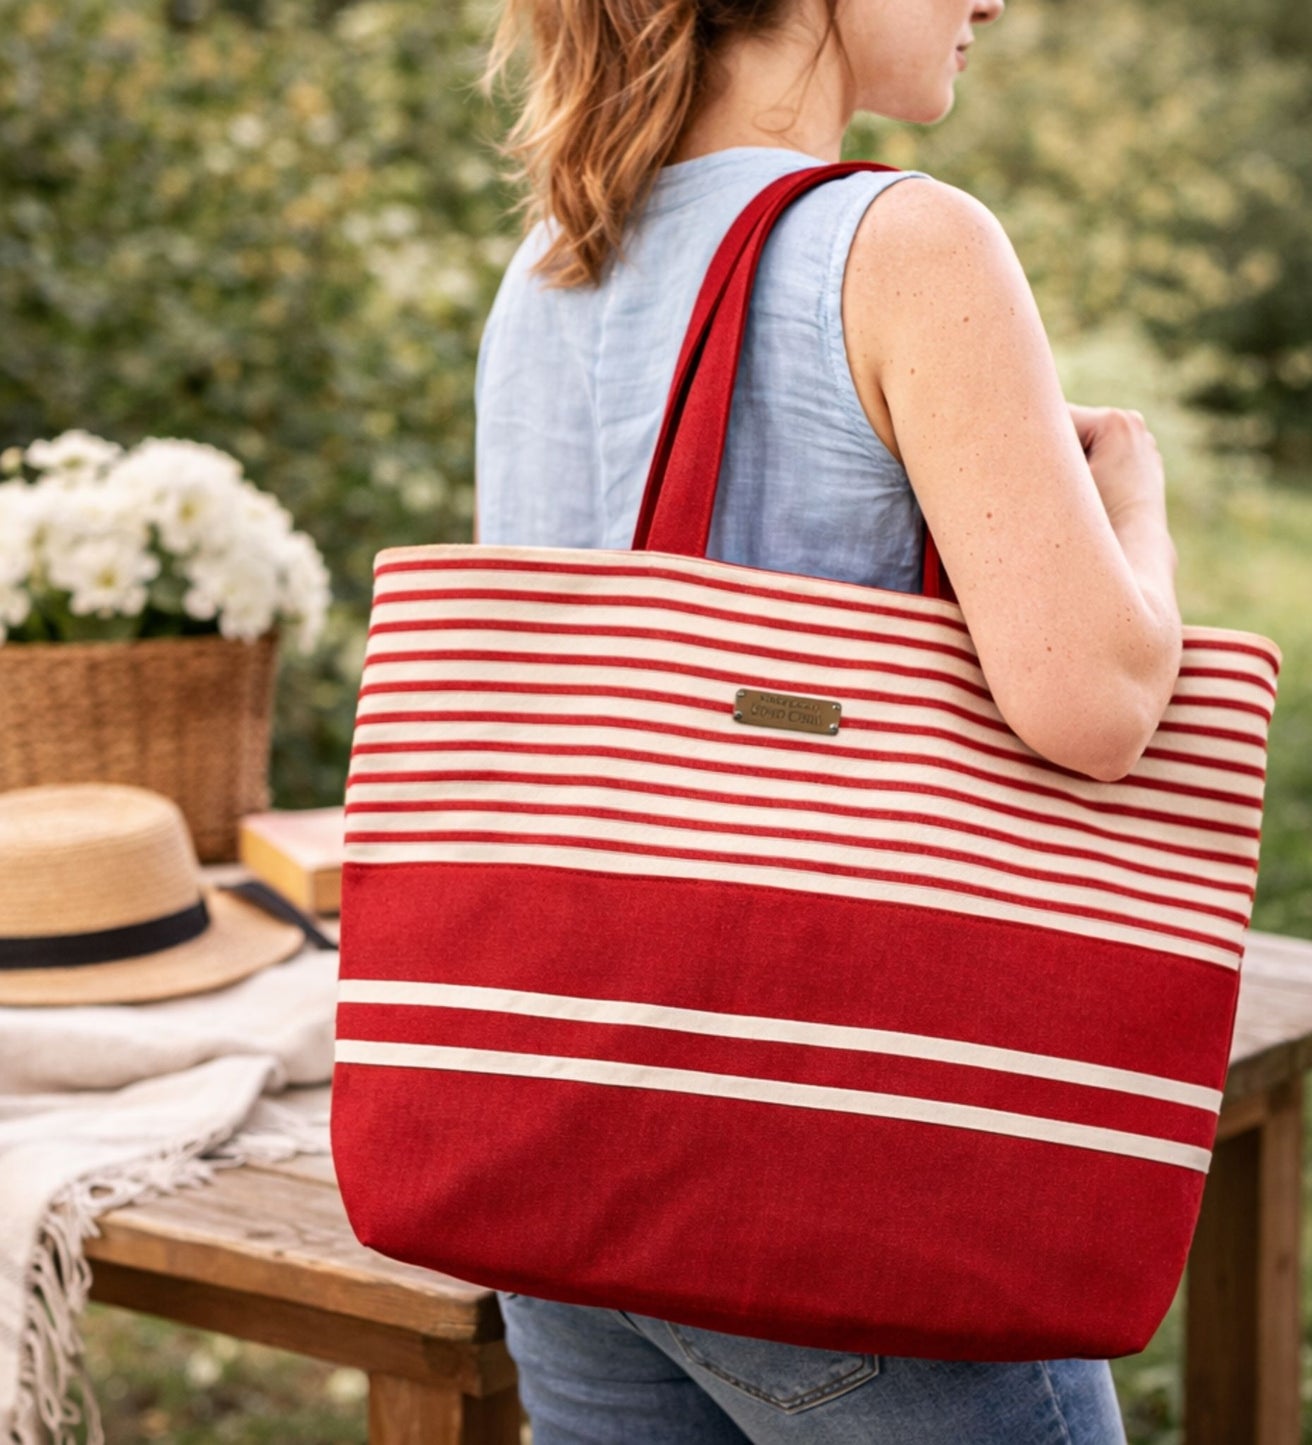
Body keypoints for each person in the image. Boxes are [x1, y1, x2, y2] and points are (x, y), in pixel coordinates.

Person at [471, 0, 1181, 1438]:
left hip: (562, 1138)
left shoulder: (551, 259)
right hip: (825, 1158)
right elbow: (1094, 702)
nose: (991, 1)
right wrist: (1131, 509)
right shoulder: (907, 243)